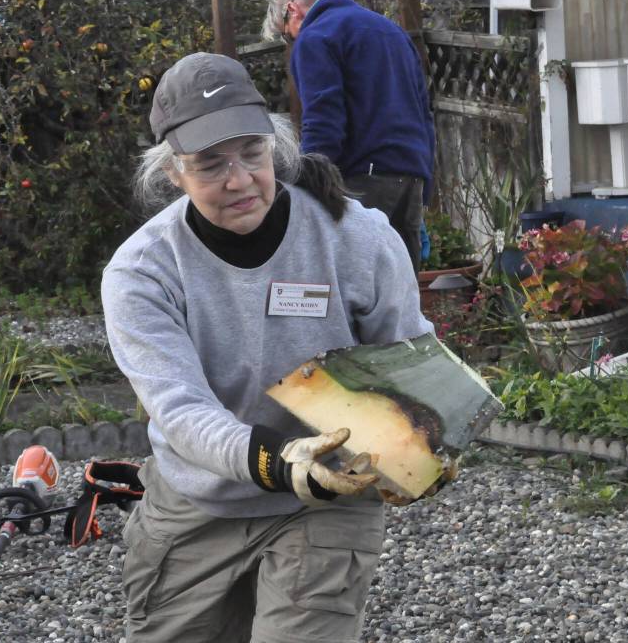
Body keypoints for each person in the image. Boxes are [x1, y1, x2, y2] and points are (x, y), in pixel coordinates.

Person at [101, 51, 433, 642]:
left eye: (252, 154)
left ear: (275, 146)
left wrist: (430, 430)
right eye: (209, 165)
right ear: (172, 172)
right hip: (200, 501)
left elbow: (410, 360)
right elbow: (179, 411)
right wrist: (277, 460)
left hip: (327, 496)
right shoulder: (143, 271)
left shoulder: (357, 238)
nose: (239, 180)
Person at [262, 0, 436, 275]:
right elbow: (424, 113)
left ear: (292, 8)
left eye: (286, 33)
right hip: (411, 175)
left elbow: (323, 119)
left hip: (363, 180)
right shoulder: (392, 31)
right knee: (402, 294)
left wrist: (310, 187)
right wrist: (424, 187)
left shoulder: (317, 36)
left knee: (350, 291)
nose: (292, 40)